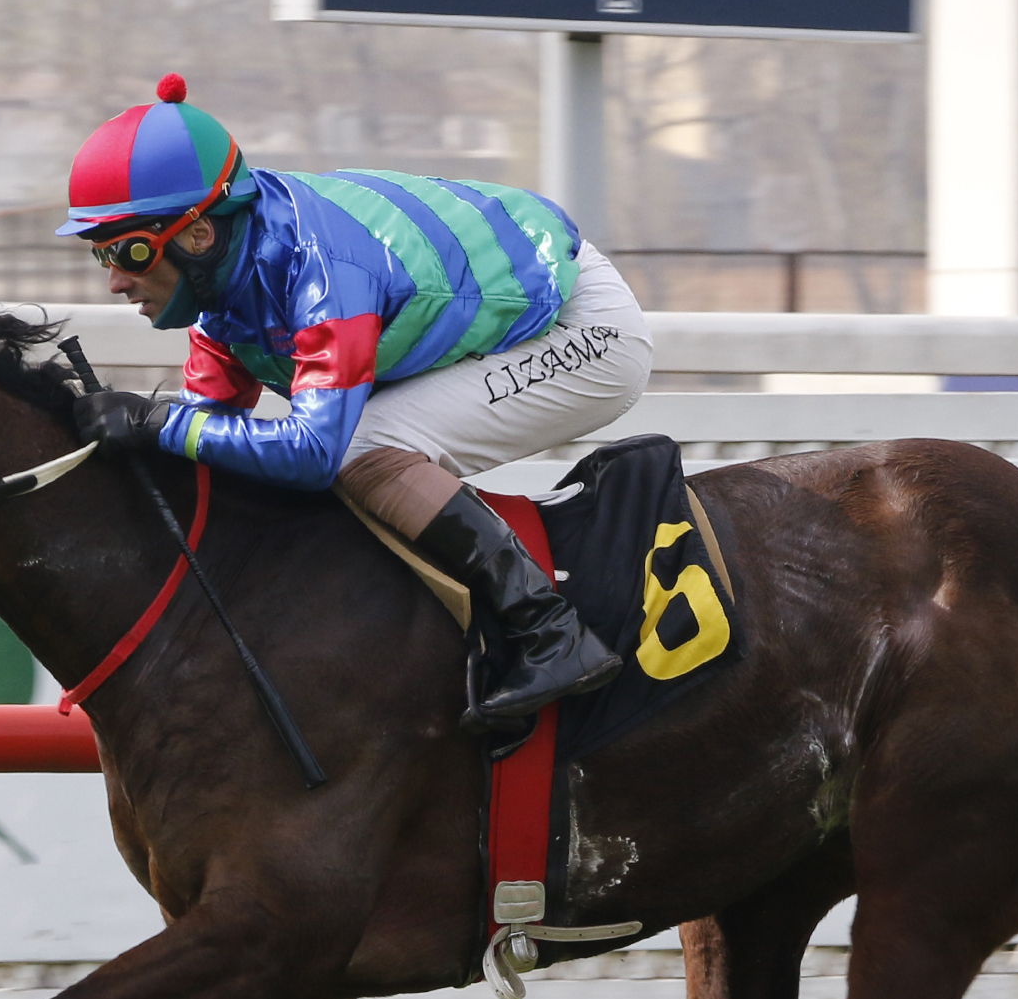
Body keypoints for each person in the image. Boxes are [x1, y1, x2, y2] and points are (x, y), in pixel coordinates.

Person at [60, 74, 653, 726]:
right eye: (100, 255)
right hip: (505, 300)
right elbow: (205, 432)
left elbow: (312, 453)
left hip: (585, 330)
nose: (116, 281)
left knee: (362, 447)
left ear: (198, 234)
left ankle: (547, 628)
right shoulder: (226, 282)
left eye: (130, 251)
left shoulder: (323, 273)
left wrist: (156, 422)